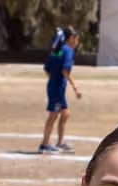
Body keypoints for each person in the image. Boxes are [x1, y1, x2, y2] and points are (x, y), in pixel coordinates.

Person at [39, 26, 81, 154]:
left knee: (65, 113)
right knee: (53, 115)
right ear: (71, 38)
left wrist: (54, 80)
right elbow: (65, 70)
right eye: (76, 38)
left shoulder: (57, 50)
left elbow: (47, 69)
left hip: (54, 86)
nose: (77, 41)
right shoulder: (68, 51)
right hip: (57, 88)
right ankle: (44, 145)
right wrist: (75, 87)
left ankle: (60, 142)